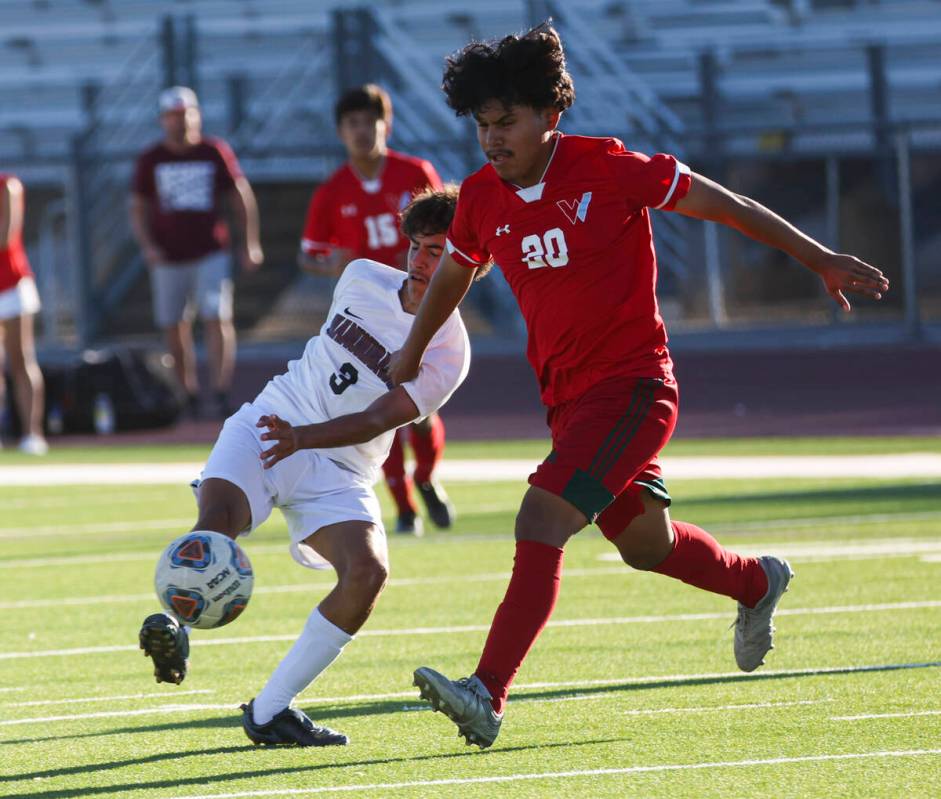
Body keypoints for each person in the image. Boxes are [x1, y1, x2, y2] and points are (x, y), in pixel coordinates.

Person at [390, 23, 890, 749]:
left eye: (507, 122)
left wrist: (817, 257)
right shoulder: (478, 198)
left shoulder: (607, 167)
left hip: (632, 389)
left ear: (549, 116)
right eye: (482, 125)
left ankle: (485, 690)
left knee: (540, 517)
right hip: (567, 403)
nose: (492, 138)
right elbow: (455, 273)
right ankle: (754, 582)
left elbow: (724, 204)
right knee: (644, 545)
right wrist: (412, 348)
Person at [138, 187, 471, 747]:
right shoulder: (363, 276)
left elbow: (376, 418)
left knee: (368, 573)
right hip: (273, 421)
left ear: (468, 262)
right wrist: (291, 434)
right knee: (217, 519)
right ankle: (179, 623)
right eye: (416, 246)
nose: (419, 261)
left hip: (339, 467)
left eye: (437, 252)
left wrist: (305, 439)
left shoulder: (450, 351)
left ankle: (269, 712)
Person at [299, 83, 453, 537]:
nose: (363, 131)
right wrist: (336, 266)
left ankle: (424, 477)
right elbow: (308, 253)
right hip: (366, 318)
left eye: (370, 121)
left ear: (386, 124)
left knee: (420, 411)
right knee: (375, 411)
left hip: (418, 310)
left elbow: (446, 232)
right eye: (353, 124)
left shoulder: (415, 173)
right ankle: (405, 508)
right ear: (341, 132)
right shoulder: (332, 190)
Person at [129, 86, 264, 420]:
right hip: (169, 254)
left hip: (208, 250)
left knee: (216, 316)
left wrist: (249, 241)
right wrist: (148, 245)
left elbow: (239, 195)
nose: (181, 122)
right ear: (163, 120)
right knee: (174, 324)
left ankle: (219, 391)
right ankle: (186, 392)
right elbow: (137, 205)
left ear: (197, 115)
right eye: (173, 116)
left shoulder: (213, 151)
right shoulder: (152, 159)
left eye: (186, 114)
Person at [0, 173, 47, 456]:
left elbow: (5, 236)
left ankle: (32, 433)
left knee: (20, 358)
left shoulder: (7, 185)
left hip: (12, 284)